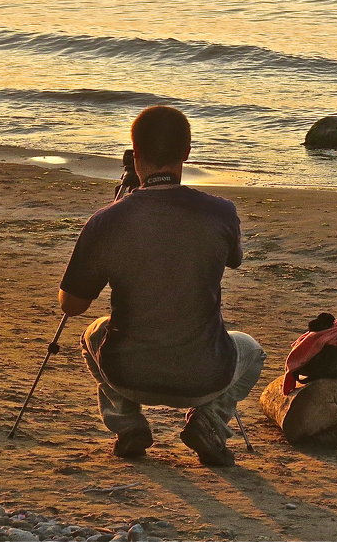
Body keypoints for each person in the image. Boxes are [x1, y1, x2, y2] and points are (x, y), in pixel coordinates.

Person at [58, 105, 265, 466]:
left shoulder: (108, 220)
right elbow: (235, 259)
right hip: (204, 376)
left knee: (93, 333)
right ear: (186, 153)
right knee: (251, 349)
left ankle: (127, 423)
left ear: (135, 154)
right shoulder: (221, 212)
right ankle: (209, 420)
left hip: (127, 374)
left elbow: (71, 306)